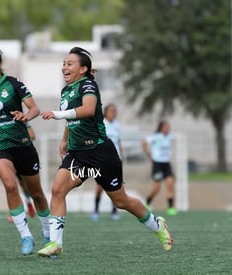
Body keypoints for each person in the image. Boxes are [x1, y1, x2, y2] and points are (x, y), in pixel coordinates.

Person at [37, 47, 173, 258]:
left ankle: (157, 225)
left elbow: (88, 110)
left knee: (121, 201)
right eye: (63, 63)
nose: (65, 66)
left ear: (83, 69)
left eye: (70, 63)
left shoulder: (89, 85)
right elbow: (72, 118)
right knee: (57, 190)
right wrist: (64, 139)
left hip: (100, 153)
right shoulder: (66, 90)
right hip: (77, 155)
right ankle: (55, 243)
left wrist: (55, 114)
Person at [0, 43, 50, 256]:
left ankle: (48, 233)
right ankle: (25, 236)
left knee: (37, 194)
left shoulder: (14, 84)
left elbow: (34, 108)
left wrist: (27, 116)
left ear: (0, 63)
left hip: (22, 144)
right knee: (9, 184)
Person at [92, 104, 122, 221]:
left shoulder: (117, 125)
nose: (114, 113)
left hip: (115, 160)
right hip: (102, 160)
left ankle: (114, 211)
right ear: (105, 112)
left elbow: (119, 142)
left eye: (115, 111)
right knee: (100, 186)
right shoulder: (101, 123)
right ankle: (96, 210)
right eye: (111, 111)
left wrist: (121, 157)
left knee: (116, 186)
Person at [142, 121, 177, 216]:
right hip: (157, 164)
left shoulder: (170, 137)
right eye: (167, 127)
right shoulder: (156, 136)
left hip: (166, 164)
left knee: (170, 184)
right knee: (156, 188)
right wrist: (149, 155)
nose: (168, 129)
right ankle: (147, 202)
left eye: (169, 127)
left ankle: (170, 207)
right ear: (162, 128)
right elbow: (144, 143)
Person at [7, 123, 37, 223]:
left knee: (24, 185)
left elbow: (32, 136)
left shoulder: (22, 121)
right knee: (10, 184)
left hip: (23, 155)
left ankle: (29, 203)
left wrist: (21, 137)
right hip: (8, 156)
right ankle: (14, 212)